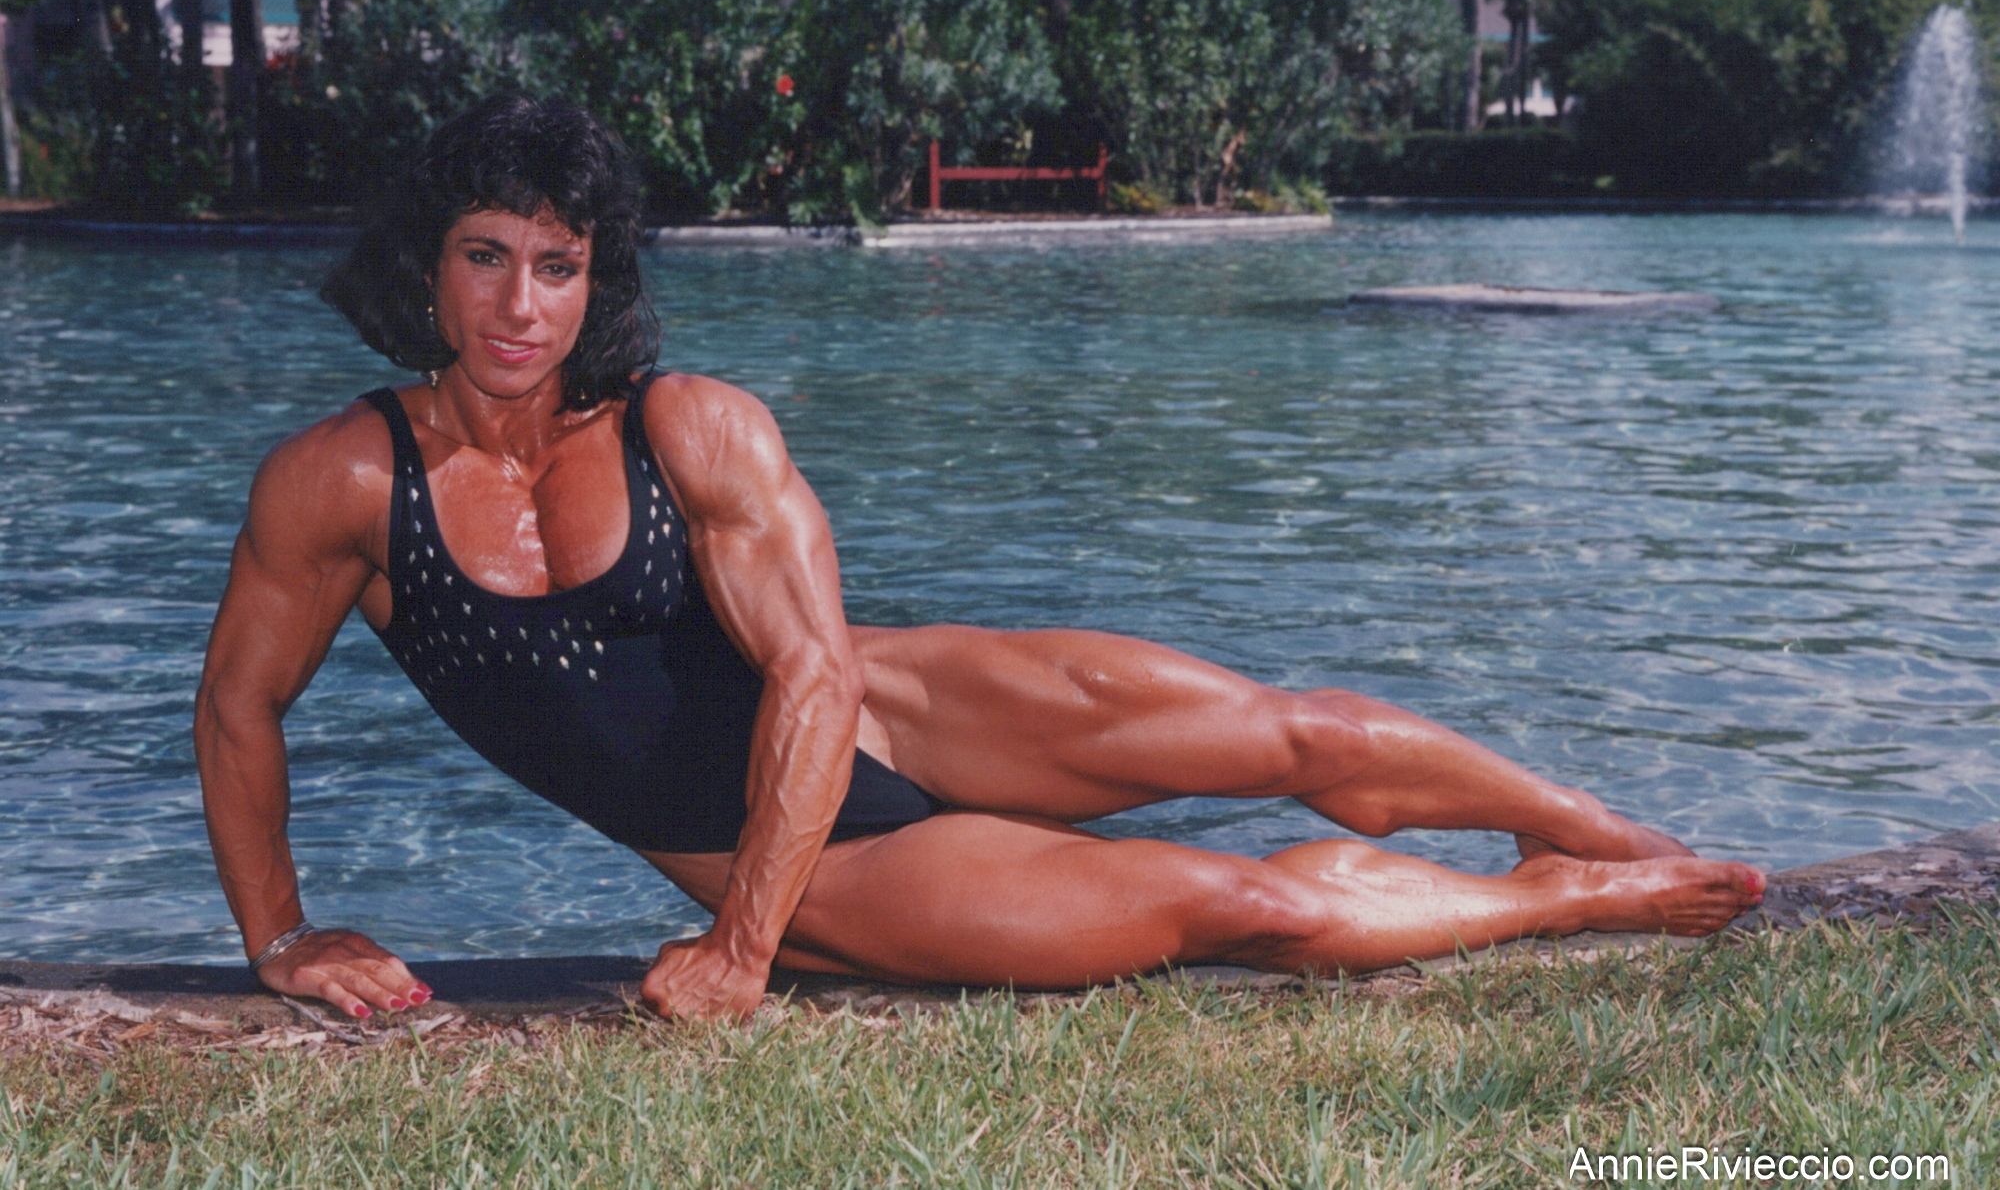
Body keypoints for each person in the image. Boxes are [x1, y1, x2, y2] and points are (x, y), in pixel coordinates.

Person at [193, 97, 1764, 1022]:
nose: (519, 305)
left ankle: (1588, 821)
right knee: (1245, 907)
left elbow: (815, 674)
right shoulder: (344, 483)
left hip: (894, 705)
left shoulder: (691, 426)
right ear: (428, 266)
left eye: (557, 265)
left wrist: (736, 963)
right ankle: (1565, 901)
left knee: (1294, 730)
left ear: (595, 280)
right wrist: (280, 934)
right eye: (485, 258)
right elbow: (237, 708)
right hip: (805, 860)